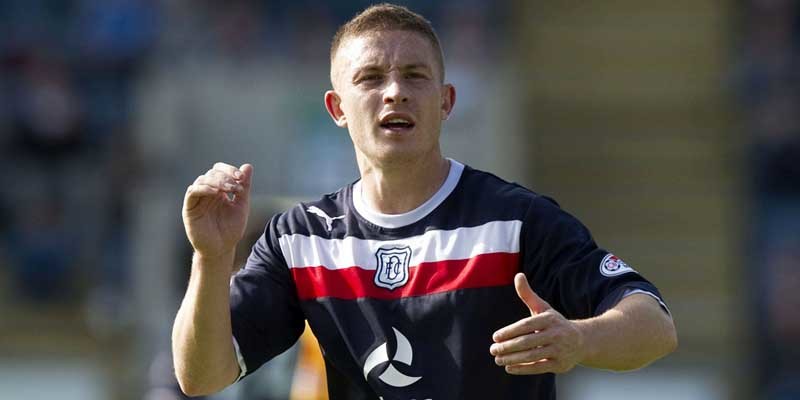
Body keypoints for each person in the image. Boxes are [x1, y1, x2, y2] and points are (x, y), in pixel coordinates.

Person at [172, 3, 678, 399]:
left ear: (446, 101)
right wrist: (211, 257)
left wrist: (579, 340)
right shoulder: (299, 239)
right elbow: (202, 376)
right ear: (336, 108)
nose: (394, 92)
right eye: (370, 78)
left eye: (415, 76)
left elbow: (655, 325)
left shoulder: (515, 220)